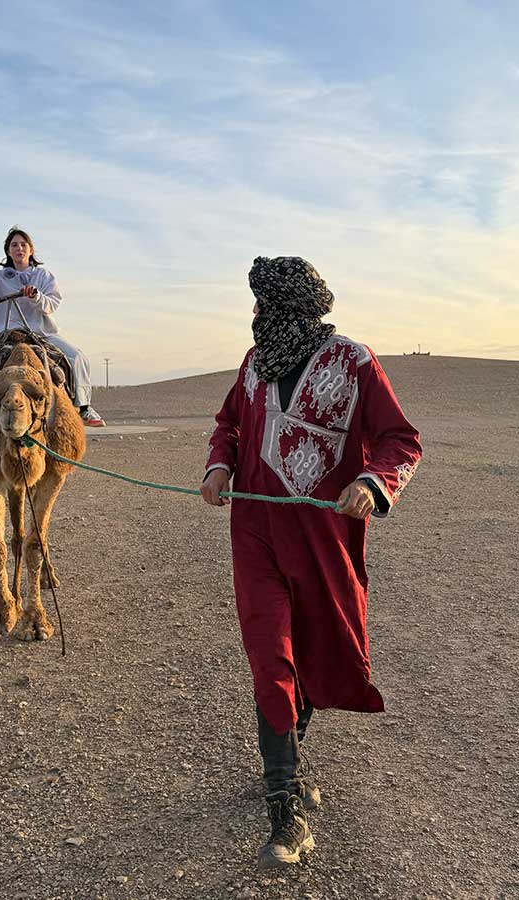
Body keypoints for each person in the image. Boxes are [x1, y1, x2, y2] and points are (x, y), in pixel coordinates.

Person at [200, 256, 422, 870]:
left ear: (288, 307)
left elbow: (401, 439)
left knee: (317, 647)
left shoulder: (353, 362)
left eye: (262, 306)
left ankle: (286, 759)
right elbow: (228, 426)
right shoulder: (253, 365)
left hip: (324, 540)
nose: (253, 316)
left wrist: (376, 483)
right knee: (269, 651)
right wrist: (220, 465)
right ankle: (283, 806)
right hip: (256, 533)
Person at [0, 226, 105, 430]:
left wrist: (36, 296)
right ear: (8, 251)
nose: (19, 248)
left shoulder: (43, 276)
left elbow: (53, 303)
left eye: (23, 244)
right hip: (8, 334)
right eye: (14, 245)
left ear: (31, 250)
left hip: (40, 333)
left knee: (77, 356)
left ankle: (84, 408)